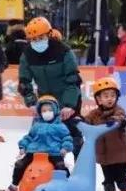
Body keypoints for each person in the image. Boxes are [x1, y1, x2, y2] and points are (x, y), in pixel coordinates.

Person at [18, 16, 83, 157]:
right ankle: (37, 164)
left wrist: (69, 105)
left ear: (49, 34)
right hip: (45, 101)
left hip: (67, 98)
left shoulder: (64, 52)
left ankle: (78, 164)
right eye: (33, 39)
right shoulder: (27, 55)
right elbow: (24, 81)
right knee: (40, 133)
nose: (37, 42)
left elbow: (73, 80)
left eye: (40, 37)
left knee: (72, 134)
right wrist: (31, 102)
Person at [0, 96, 72, 191]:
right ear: (40, 112)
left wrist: (65, 147)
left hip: (53, 152)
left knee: (60, 167)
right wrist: (23, 146)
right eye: (44, 110)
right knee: (20, 164)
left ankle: (68, 188)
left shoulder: (60, 126)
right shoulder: (37, 125)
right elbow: (29, 137)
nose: (47, 112)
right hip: (34, 152)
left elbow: (67, 138)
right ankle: (13, 187)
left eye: (50, 110)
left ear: (55, 111)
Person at [84, 77, 126, 191]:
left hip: (120, 155)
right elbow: (86, 121)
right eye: (106, 96)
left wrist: (116, 120)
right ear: (98, 100)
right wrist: (79, 120)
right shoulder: (94, 114)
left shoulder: (118, 110)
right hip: (104, 156)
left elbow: (121, 117)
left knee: (121, 180)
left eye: (112, 95)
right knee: (108, 182)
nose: (110, 98)